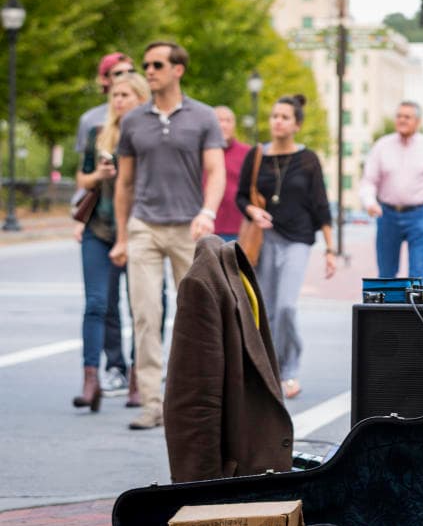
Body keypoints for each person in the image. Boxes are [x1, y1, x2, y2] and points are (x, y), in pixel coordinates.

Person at [110, 41, 225, 431]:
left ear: (178, 69)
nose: (149, 70)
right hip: (144, 226)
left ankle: (197, 403)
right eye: (145, 65)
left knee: (195, 318)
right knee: (145, 315)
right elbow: (124, 183)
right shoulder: (132, 121)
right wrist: (122, 237)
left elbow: (217, 171)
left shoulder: (203, 117)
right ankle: (151, 403)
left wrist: (207, 213)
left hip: (187, 227)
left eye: (157, 64)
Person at [163, 235, 293, 483]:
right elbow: (194, 398)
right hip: (235, 481)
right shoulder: (203, 285)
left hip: (249, 469)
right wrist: (202, 489)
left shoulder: (231, 272)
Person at [237, 94, 336, 400]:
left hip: (298, 239)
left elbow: (321, 205)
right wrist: (253, 212)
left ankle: (288, 369)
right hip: (264, 240)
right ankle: (268, 370)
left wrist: (330, 249)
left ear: (297, 124)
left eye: (284, 117)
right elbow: (241, 197)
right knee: (264, 309)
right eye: (274, 116)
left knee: (286, 307)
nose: (277, 121)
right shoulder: (256, 156)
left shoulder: (308, 159)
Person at [72, 72, 148, 412]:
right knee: (96, 304)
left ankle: (138, 381)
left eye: (125, 95)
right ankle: (91, 380)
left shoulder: (149, 137)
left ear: (140, 99)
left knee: (143, 308)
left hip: (140, 231)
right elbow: (83, 178)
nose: (118, 101)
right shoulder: (97, 134)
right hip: (98, 230)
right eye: (115, 95)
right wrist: (99, 176)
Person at [360, 101, 423, 281]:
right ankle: (388, 309)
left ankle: (415, 310)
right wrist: (370, 202)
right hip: (387, 214)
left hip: (421, 214)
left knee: (417, 276)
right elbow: (368, 180)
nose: (402, 120)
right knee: (386, 276)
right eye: (399, 116)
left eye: (407, 117)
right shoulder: (382, 146)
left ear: (417, 121)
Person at [212, 105, 251, 242]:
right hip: (208, 226)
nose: (223, 125)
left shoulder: (247, 153)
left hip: (239, 228)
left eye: (228, 121)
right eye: (219, 120)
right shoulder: (201, 153)